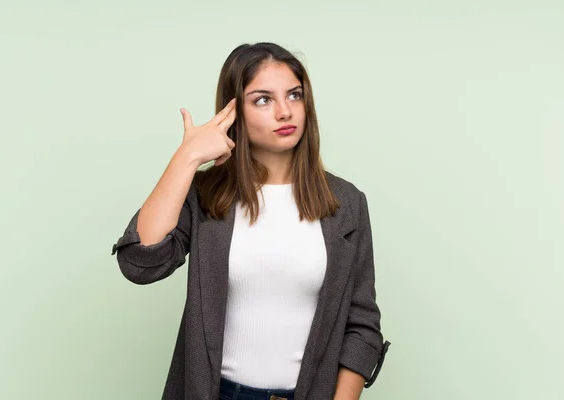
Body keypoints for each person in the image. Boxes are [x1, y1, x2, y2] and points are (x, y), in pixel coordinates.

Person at [111, 42, 390, 400]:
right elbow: (140, 263)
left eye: (294, 95)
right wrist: (187, 158)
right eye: (263, 99)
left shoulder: (345, 204)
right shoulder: (208, 195)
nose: (284, 112)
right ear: (234, 112)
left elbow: (362, 323)